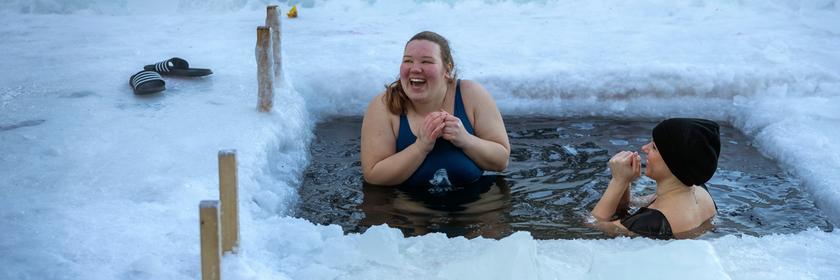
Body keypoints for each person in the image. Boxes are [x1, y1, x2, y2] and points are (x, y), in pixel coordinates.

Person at [361, 31, 510, 188]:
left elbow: (501, 161)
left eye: (426, 62)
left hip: (474, 203)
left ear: (447, 69)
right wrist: (420, 147)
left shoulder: (471, 95)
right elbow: (373, 176)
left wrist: (465, 139)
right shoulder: (384, 105)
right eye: (408, 61)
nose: (415, 68)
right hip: (408, 205)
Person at [591, 118, 721, 239]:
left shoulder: (653, 222)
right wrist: (626, 181)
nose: (644, 148)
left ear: (672, 162)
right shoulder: (700, 190)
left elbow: (594, 224)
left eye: (654, 147)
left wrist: (617, 181)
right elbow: (630, 205)